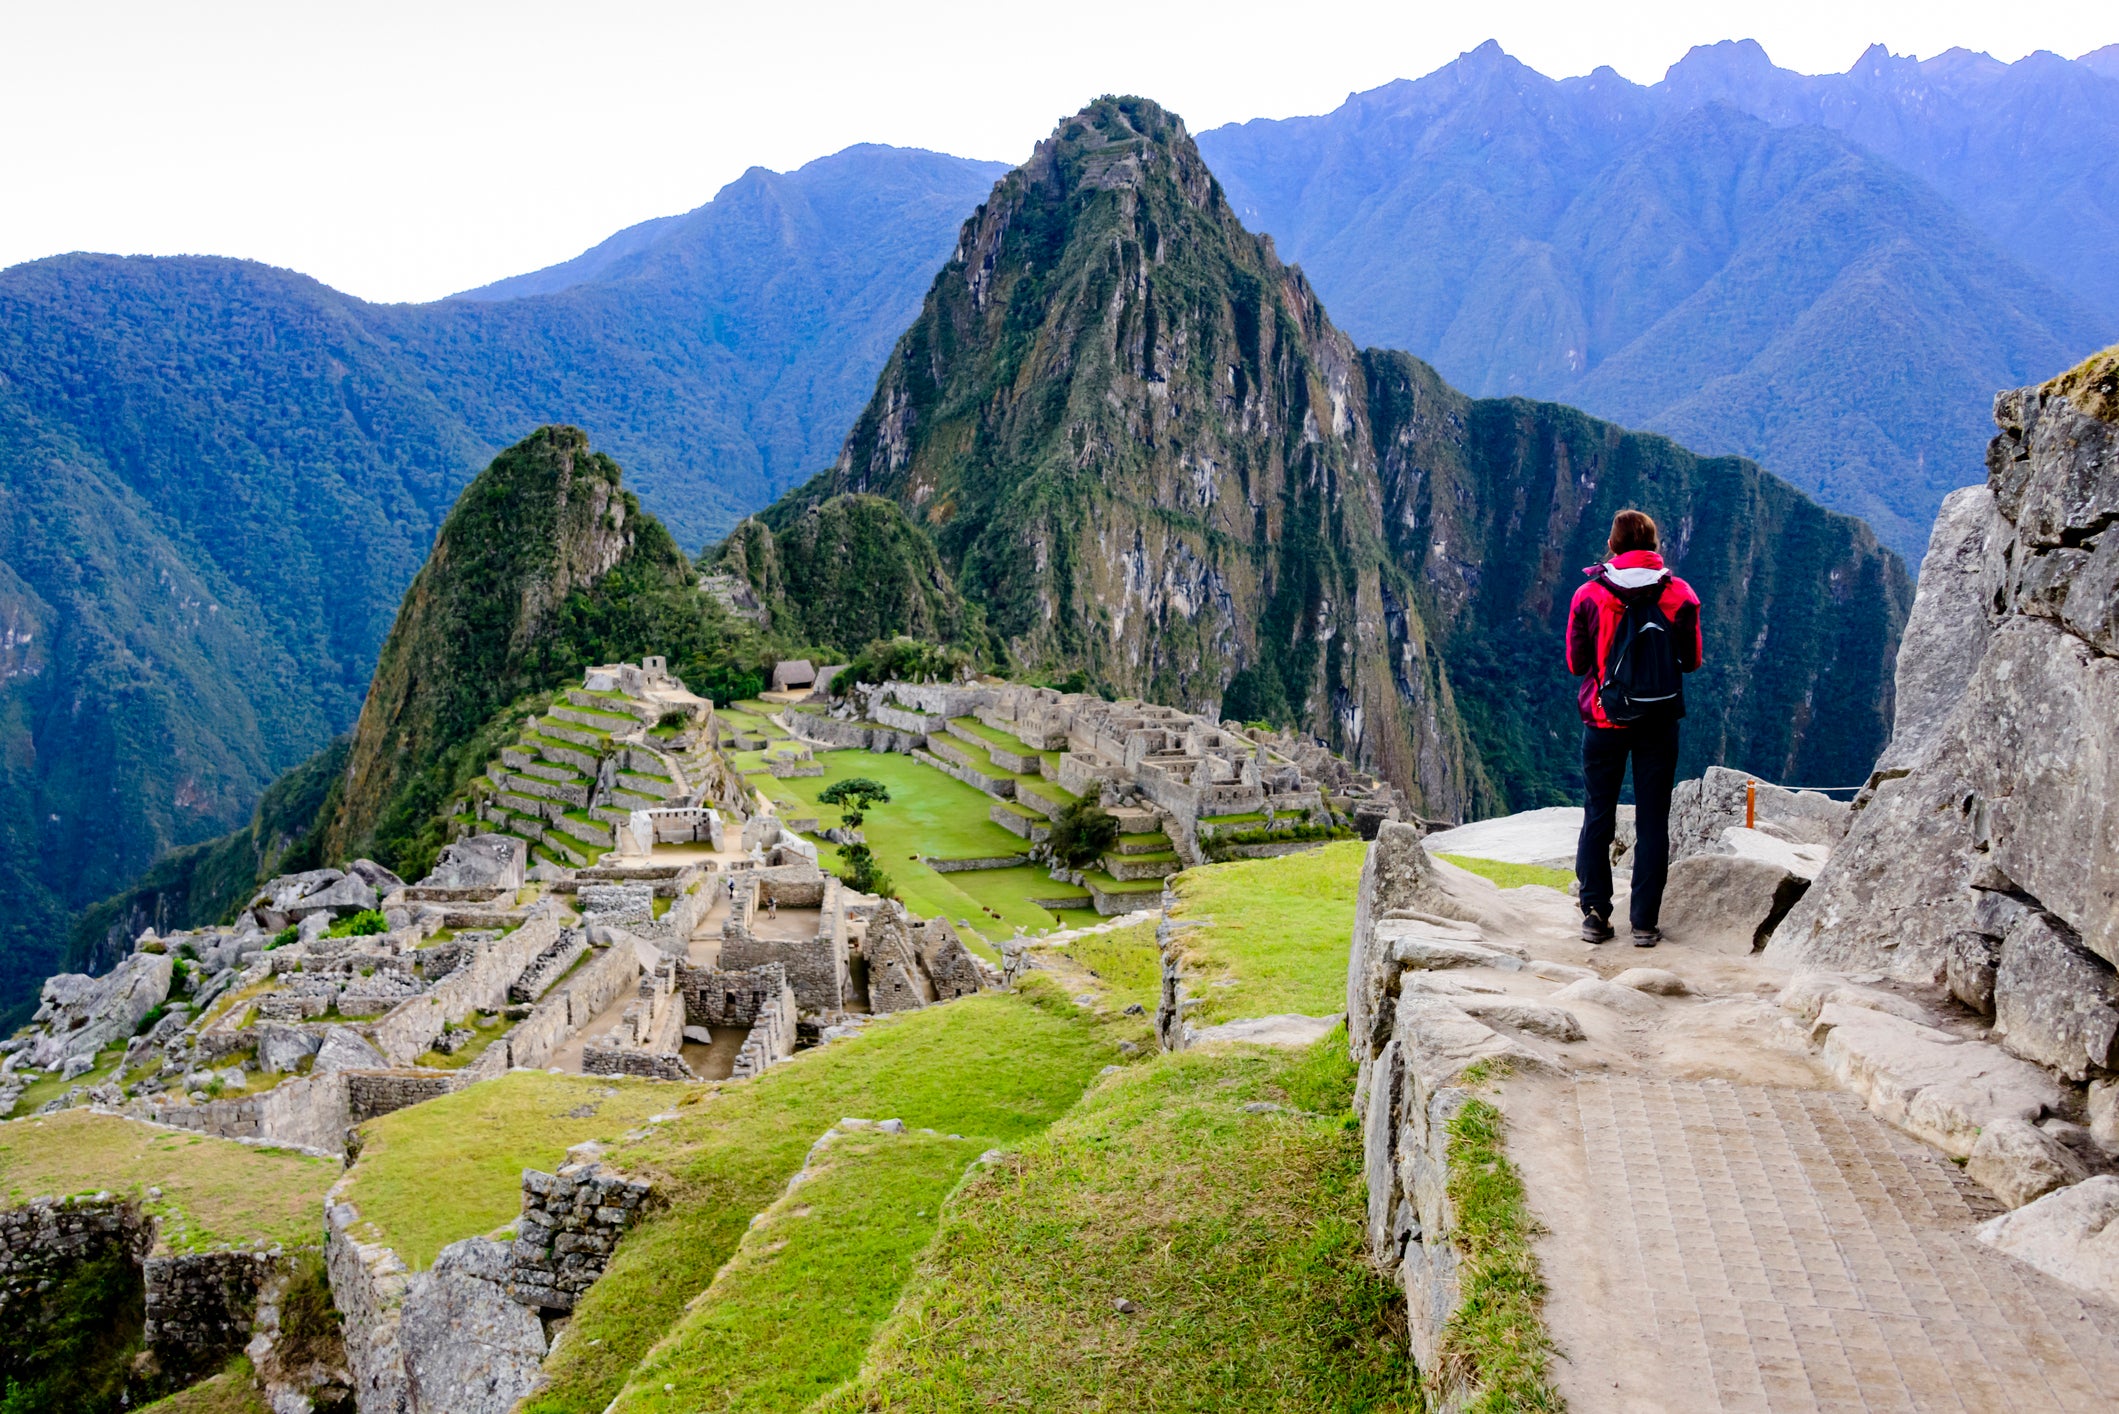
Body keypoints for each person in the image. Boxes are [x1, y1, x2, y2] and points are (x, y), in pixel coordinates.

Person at [1567, 509, 1702, 947]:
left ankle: (1594, 914)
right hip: (1658, 722)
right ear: (1654, 545)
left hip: (1604, 720)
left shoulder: (1588, 595)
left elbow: (1576, 665)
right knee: (1652, 821)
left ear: (1613, 544)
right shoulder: (1680, 595)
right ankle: (1643, 923)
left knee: (1598, 815)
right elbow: (1692, 661)